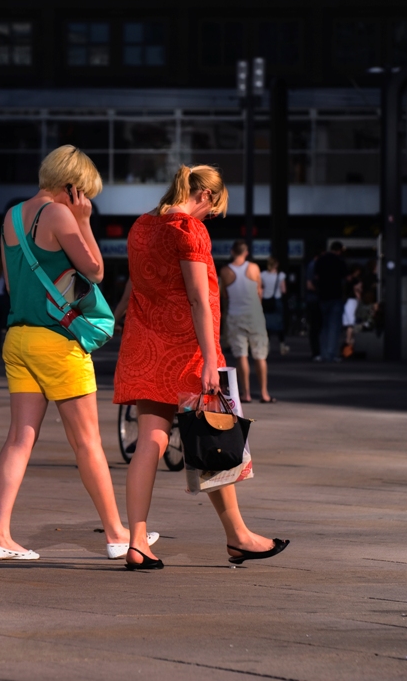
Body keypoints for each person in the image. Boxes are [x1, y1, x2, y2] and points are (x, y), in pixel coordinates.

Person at [113, 164, 289, 570]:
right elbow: (197, 298)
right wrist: (211, 357)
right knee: (214, 438)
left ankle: (138, 542)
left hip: (144, 343)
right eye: (215, 209)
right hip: (187, 348)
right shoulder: (188, 230)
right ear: (206, 196)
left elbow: (133, 282)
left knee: (150, 442)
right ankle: (238, 536)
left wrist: (120, 314)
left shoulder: (141, 226)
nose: (212, 216)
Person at [0, 144, 139, 562]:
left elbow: (15, 288)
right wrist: (85, 222)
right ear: (73, 186)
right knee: (87, 442)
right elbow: (95, 270)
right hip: (57, 343)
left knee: (19, 439)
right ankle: (117, 534)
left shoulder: (12, 215)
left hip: (18, 339)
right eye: (85, 193)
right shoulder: (59, 214)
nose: (86, 201)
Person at [220, 240, 274, 404]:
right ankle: (264, 393)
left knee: (241, 355)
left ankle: (246, 394)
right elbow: (259, 291)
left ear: (231, 252)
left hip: (235, 315)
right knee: (260, 355)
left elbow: (224, 295)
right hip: (255, 315)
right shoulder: (254, 268)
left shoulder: (225, 271)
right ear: (246, 252)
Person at [315, 241, 348, 362]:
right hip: (336, 295)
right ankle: (331, 353)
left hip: (323, 296)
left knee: (324, 326)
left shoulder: (321, 260)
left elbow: (316, 276)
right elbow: (345, 277)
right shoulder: (340, 261)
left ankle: (323, 353)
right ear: (339, 250)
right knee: (334, 326)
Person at [260, 256, 289, 355]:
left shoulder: (263, 274)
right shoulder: (280, 275)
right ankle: (282, 345)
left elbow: (260, 288)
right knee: (279, 324)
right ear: (276, 264)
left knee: (266, 324)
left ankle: (267, 345)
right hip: (276, 300)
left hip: (266, 301)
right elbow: (284, 289)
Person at [305, 252, 322, 360]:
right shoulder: (314, 265)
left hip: (313, 299)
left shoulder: (313, 265)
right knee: (316, 327)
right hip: (314, 300)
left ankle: (316, 351)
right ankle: (316, 351)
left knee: (315, 327)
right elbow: (309, 284)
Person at [341, 279, 362, 357]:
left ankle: (348, 347)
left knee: (350, 329)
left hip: (350, 309)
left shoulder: (351, 298)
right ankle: (348, 347)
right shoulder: (352, 300)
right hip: (352, 312)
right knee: (351, 328)